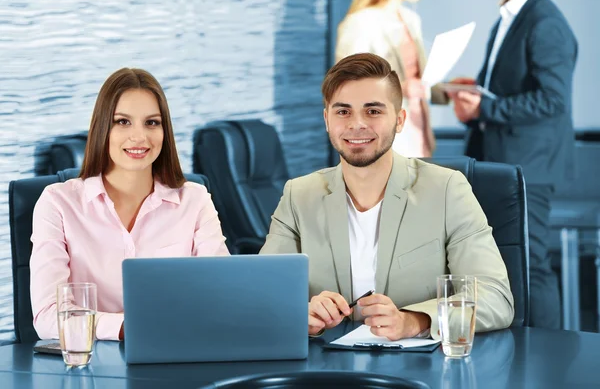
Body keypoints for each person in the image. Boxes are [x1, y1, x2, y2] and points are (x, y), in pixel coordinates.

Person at [260, 53, 514, 339]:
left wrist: (414, 320)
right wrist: (298, 313)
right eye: (343, 112)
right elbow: (263, 297)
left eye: (373, 111)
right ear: (327, 120)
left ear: (399, 120)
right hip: (325, 368)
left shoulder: (447, 190)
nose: (357, 124)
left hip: (420, 370)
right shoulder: (299, 196)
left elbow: (495, 298)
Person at [30, 68, 229, 341]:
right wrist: (128, 328)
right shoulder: (58, 203)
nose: (139, 137)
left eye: (151, 123)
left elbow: (222, 295)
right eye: (123, 122)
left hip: (175, 356)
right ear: (103, 128)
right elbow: (49, 315)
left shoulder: (195, 200)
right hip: (90, 367)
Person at [450, 0, 577, 329]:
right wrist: (477, 90)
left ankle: (547, 354)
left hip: (529, 168)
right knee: (512, 262)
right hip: (504, 163)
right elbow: (513, 88)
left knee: (531, 265)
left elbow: (553, 100)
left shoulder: (545, 21)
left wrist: (484, 107)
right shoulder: (509, 17)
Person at [336, 0, 448, 158]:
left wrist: (450, 90)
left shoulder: (410, 19)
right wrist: (400, 88)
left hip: (418, 132)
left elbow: (418, 80)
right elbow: (346, 86)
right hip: (384, 137)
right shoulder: (359, 23)